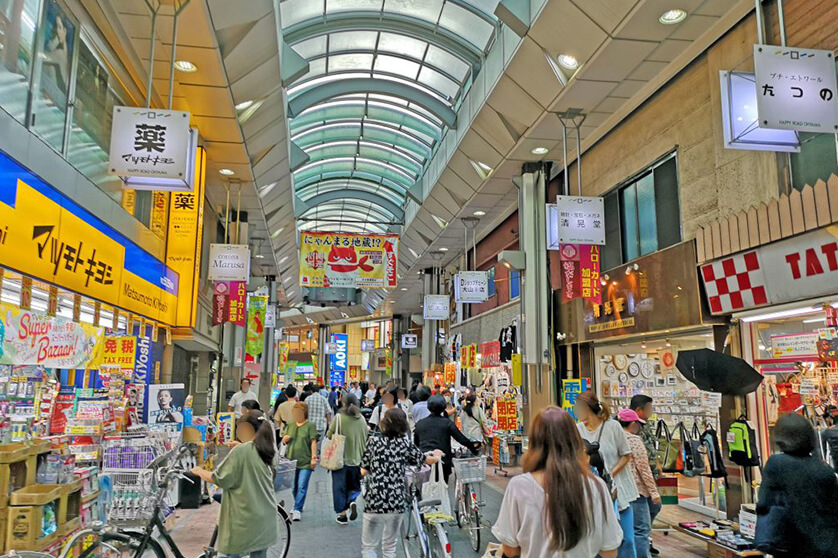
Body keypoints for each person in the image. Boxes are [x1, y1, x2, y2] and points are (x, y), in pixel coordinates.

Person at [492, 406, 622, 558]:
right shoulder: (595, 485)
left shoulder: (519, 486)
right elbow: (609, 551)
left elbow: (510, 550)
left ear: (535, 442)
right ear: (575, 440)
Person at [190, 411, 277, 558]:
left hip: (244, 521)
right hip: (266, 519)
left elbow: (218, 478)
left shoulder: (241, 451)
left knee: (229, 554)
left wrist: (198, 471)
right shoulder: (265, 449)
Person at [361, 408, 441, 558]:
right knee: (390, 547)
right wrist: (436, 456)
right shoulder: (404, 445)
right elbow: (425, 460)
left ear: (384, 424)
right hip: (396, 501)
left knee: (369, 547)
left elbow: (363, 471)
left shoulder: (373, 443)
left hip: (374, 500)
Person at [756, 413, 838, 557]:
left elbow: (765, 503)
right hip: (826, 543)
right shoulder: (824, 469)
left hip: (791, 542)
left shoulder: (776, 464)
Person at [575, 391, 639, 558]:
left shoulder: (613, 426)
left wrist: (610, 474)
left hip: (617, 492)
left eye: (578, 407)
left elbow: (626, 455)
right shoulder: (577, 430)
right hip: (591, 493)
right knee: (596, 543)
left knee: (627, 540)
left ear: (588, 408)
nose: (575, 411)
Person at [619, 409, 660, 558]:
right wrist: (654, 492)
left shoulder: (614, 438)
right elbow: (644, 468)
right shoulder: (634, 440)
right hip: (636, 492)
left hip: (618, 491)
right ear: (633, 424)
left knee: (624, 530)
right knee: (641, 530)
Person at [414, 395, 480, 482]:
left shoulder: (420, 424)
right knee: (443, 487)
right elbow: (461, 439)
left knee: (424, 487)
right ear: (443, 407)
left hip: (425, 461)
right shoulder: (447, 423)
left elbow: (416, 443)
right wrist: (473, 447)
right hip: (443, 461)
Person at [329, 394, 369, 525]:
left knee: (339, 487)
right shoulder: (362, 419)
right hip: (357, 459)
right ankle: (351, 500)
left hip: (340, 459)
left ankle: (342, 515)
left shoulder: (339, 418)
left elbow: (329, 435)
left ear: (343, 403)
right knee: (354, 486)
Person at [630, 395, 660, 556]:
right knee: (641, 525)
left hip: (646, 482)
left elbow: (650, 452)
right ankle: (643, 548)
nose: (651, 411)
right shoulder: (634, 432)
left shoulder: (645, 426)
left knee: (649, 513)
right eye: (648, 408)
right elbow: (642, 464)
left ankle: (646, 542)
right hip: (639, 486)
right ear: (638, 410)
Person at [282, 402, 319, 521]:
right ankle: (298, 505)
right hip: (291, 461)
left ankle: (297, 508)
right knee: (294, 487)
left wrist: (314, 458)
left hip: (306, 461)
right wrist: (284, 440)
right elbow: (283, 440)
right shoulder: (290, 425)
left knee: (302, 485)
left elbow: (314, 441)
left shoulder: (310, 426)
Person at [304, 386, 332, 452]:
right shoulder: (323, 399)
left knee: (310, 443)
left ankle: (312, 455)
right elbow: (328, 412)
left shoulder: (307, 399)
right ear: (319, 391)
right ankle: (318, 455)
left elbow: (304, 411)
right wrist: (329, 422)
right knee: (320, 444)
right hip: (321, 425)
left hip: (310, 426)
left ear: (311, 391)